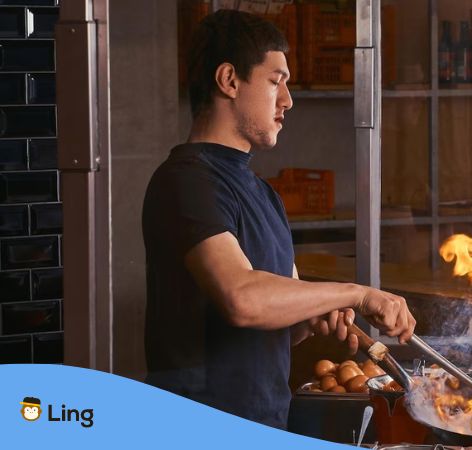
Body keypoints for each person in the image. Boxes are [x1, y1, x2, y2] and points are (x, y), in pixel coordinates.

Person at [141, 9, 416, 429]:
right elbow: (242, 300)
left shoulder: (264, 194)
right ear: (229, 80)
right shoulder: (186, 182)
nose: (287, 100)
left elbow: (271, 331)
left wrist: (309, 318)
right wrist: (355, 294)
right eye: (275, 81)